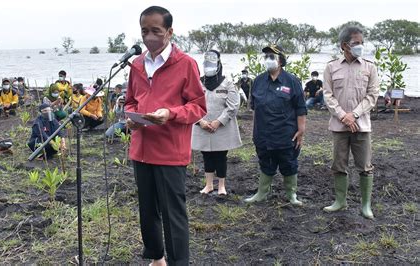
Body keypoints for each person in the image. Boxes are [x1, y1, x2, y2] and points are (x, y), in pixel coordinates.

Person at [125, 6, 206, 266]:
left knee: (173, 213)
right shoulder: (136, 65)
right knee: (147, 210)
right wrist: (131, 117)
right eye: (144, 31)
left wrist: (170, 114)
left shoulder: (186, 64)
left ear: (169, 32)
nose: (149, 37)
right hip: (142, 147)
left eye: (155, 31)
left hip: (170, 150)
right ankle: (156, 257)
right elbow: (130, 101)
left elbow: (198, 106)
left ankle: (178, 261)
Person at [322, 26, 379, 219]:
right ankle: (340, 201)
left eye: (362, 43)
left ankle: (365, 205)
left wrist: (353, 115)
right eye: (356, 43)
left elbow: (372, 96)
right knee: (339, 164)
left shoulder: (369, 67)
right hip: (339, 126)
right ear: (344, 45)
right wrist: (342, 116)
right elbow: (328, 96)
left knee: (365, 165)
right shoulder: (331, 67)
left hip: (361, 126)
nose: (360, 46)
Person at [244, 44, 307, 206]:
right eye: (266, 57)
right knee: (265, 162)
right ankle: (262, 193)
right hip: (263, 134)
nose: (268, 60)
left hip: (286, 134)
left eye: (272, 57)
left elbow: (300, 108)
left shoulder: (292, 81)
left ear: (280, 60)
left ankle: (291, 194)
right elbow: (254, 108)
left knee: (289, 163)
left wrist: (301, 130)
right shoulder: (257, 81)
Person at [192, 50, 242, 196]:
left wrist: (218, 121)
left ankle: (221, 186)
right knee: (206, 155)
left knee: (220, 156)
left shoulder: (227, 83)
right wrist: (200, 121)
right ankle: (208, 185)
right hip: (203, 126)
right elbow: (190, 104)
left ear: (219, 64)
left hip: (222, 128)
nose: (209, 66)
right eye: (206, 63)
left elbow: (233, 106)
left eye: (212, 63)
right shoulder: (197, 83)